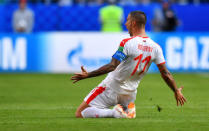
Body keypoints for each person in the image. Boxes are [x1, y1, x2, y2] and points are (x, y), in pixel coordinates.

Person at [71, 11, 186, 118]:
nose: (126, 24)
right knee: (123, 113)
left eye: (127, 20)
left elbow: (112, 66)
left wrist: (88, 75)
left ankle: (115, 112)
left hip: (111, 87)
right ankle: (125, 109)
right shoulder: (156, 48)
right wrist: (176, 90)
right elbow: (165, 73)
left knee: (80, 113)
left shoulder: (127, 43)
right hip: (130, 93)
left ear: (133, 23)